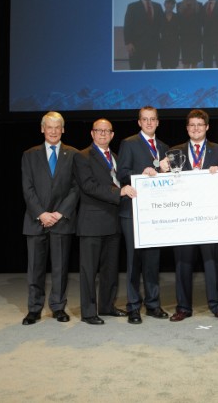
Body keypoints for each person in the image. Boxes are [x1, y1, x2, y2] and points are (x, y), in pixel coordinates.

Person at [162, 109, 218, 322]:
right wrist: (160, 169)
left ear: (207, 127)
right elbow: (166, 184)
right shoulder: (174, 152)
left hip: (210, 217)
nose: (196, 128)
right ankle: (183, 307)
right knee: (182, 262)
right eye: (192, 125)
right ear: (187, 128)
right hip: (183, 217)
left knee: (213, 262)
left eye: (200, 125)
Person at [73, 119, 134, 325]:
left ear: (112, 135)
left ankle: (107, 306)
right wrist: (119, 192)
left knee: (110, 269)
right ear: (92, 133)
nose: (102, 134)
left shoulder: (116, 157)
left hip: (113, 221)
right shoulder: (82, 156)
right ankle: (89, 312)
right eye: (99, 130)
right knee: (89, 270)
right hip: (92, 222)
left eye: (107, 131)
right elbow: (88, 186)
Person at [21, 111, 79, 325]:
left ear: (63, 130)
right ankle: (34, 309)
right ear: (42, 129)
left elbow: (76, 188)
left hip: (61, 220)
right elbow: (27, 188)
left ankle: (58, 307)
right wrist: (41, 214)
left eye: (57, 127)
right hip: (36, 220)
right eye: (49, 127)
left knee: (60, 269)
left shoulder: (73, 154)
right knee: (35, 268)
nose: (53, 131)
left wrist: (59, 213)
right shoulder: (29, 155)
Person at [117, 106, 170, 324]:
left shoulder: (164, 147)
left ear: (157, 122)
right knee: (134, 262)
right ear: (139, 122)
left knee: (152, 261)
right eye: (145, 119)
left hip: (154, 213)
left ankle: (153, 304)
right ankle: (133, 307)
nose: (149, 123)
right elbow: (122, 174)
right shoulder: (128, 143)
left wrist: (164, 171)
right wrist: (142, 173)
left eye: (152, 119)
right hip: (133, 211)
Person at [124, 0, 164, 70]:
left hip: (153, 47)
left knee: (151, 72)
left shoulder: (158, 6)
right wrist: (128, 43)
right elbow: (127, 25)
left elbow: (162, 25)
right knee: (135, 72)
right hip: (136, 47)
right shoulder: (132, 6)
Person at [177, 0, 203, 68]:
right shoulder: (179, 5)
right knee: (186, 63)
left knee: (195, 62)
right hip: (184, 39)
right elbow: (178, 23)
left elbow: (201, 23)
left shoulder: (199, 5)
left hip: (196, 39)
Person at [160, 0, 180, 69]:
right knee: (164, 68)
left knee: (173, 68)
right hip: (163, 47)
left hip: (175, 47)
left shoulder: (178, 17)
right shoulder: (159, 17)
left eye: (172, 4)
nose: (170, 5)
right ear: (164, 4)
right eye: (168, 3)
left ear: (174, 6)